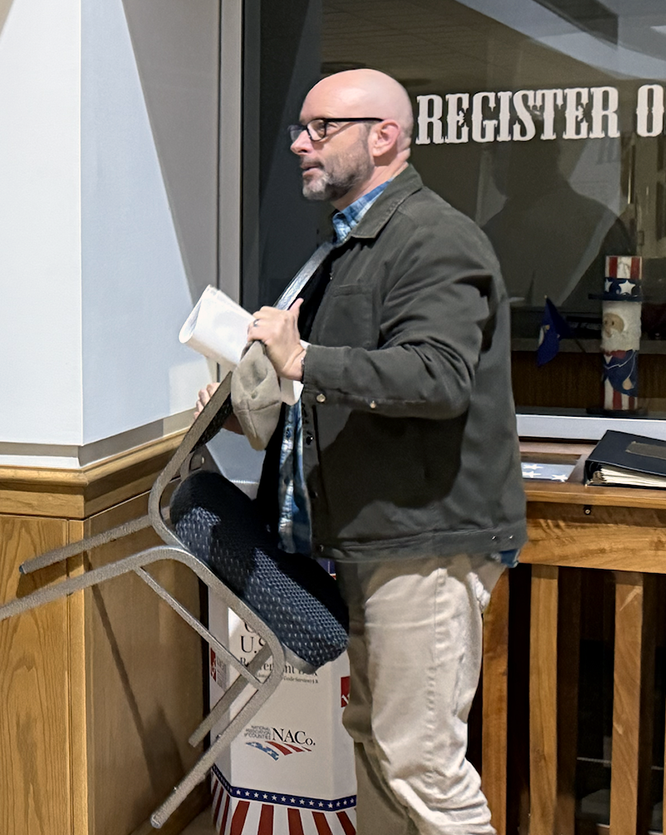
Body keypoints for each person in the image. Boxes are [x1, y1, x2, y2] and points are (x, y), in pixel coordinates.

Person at [198, 68, 525, 834]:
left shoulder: (433, 237)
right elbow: (339, 383)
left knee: (421, 766)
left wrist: (302, 357)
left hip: (423, 543)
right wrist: (255, 398)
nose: (299, 144)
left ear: (385, 137)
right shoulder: (352, 245)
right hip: (374, 539)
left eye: (322, 128)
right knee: (376, 744)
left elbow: (438, 375)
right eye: (300, 128)